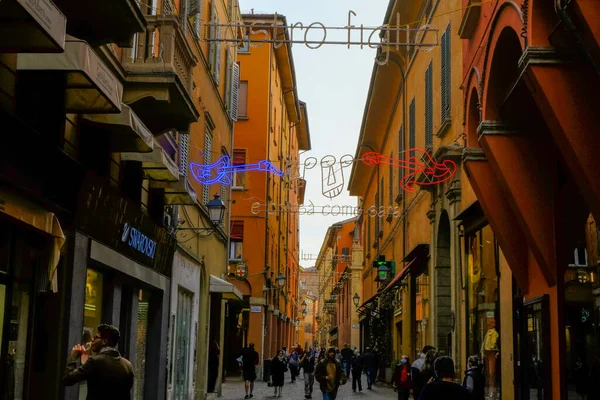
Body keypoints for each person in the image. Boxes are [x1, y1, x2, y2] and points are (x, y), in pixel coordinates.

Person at [63, 324, 134, 399]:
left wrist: (73, 358)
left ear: (104, 342)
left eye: (96, 337)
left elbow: (68, 379)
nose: (92, 340)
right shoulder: (127, 365)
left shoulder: (95, 361)